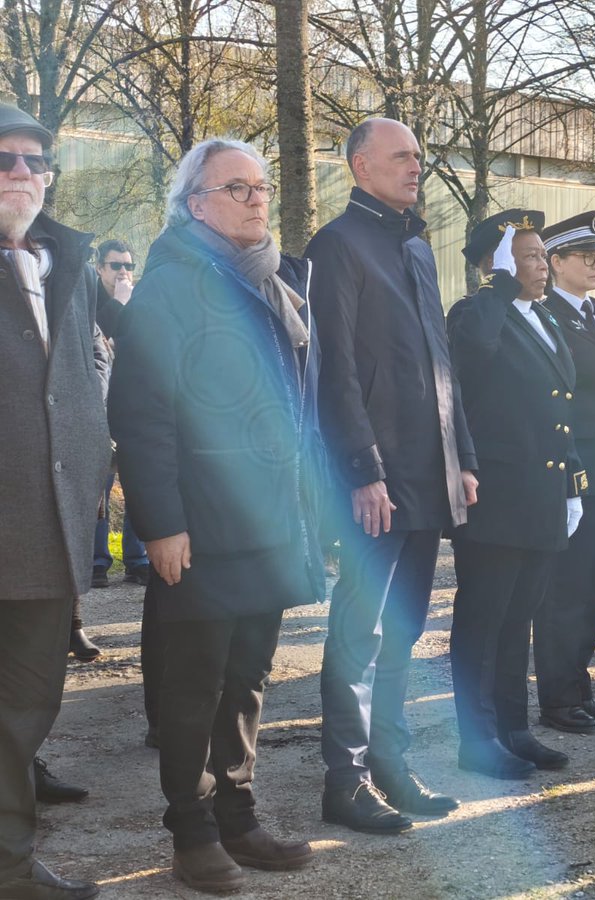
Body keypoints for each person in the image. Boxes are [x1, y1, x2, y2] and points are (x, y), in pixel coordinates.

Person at [110, 138, 321, 892]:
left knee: (248, 676)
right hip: (200, 526)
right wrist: (161, 524)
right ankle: (191, 829)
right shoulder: (173, 284)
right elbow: (141, 416)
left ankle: (239, 815)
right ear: (195, 205)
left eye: (262, 185)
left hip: (271, 519)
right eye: (238, 188)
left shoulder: (275, 280)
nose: (258, 198)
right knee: (193, 683)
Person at [306, 117, 475, 833]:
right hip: (375, 479)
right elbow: (335, 372)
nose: (417, 167)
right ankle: (343, 781)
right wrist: (362, 471)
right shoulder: (337, 246)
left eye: (420, 157)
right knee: (359, 632)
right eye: (402, 157)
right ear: (359, 166)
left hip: (427, 472)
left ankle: (391, 764)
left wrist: (462, 456)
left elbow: (441, 363)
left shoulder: (414, 246)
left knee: (402, 629)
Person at [0, 102, 110, 900]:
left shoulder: (60, 264)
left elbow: (75, 390)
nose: (25, 176)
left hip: (45, 532)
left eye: (38, 164)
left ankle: (8, 863)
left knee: (24, 710)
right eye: (6, 160)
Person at [447, 212, 585, 778]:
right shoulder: (475, 314)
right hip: (496, 498)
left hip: (540, 493)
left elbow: (559, 407)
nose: (542, 266)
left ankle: (513, 728)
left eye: (540, 255)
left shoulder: (540, 317)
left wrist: (572, 479)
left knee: (517, 620)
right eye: (527, 257)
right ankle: (475, 741)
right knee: (483, 623)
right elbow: (473, 353)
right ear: (494, 264)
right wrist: (498, 288)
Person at [533, 211, 595, 734]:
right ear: (556, 262)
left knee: (593, 588)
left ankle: (578, 685)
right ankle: (558, 696)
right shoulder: (548, 317)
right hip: (575, 472)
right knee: (564, 590)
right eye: (585, 257)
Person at [91, 238, 150, 591]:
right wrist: (119, 304)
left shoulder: (138, 300)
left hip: (131, 405)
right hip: (97, 406)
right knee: (99, 485)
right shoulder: (90, 298)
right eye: (116, 266)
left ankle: (137, 559)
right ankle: (97, 561)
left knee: (138, 481)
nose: (124, 272)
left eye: (128, 265)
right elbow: (99, 336)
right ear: (100, 268)